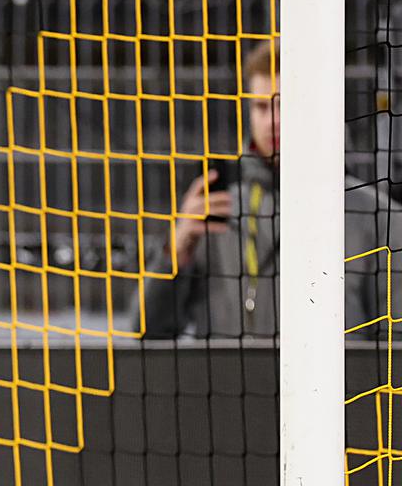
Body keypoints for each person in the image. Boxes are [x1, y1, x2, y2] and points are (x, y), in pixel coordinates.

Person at [134, 37, 397, 339]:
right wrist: (176, 252)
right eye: (260, 107)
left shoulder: (377, 216)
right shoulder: (216, 208)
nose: (272, 121)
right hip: (227, 384)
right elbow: (146, 330)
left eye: (284, 105)